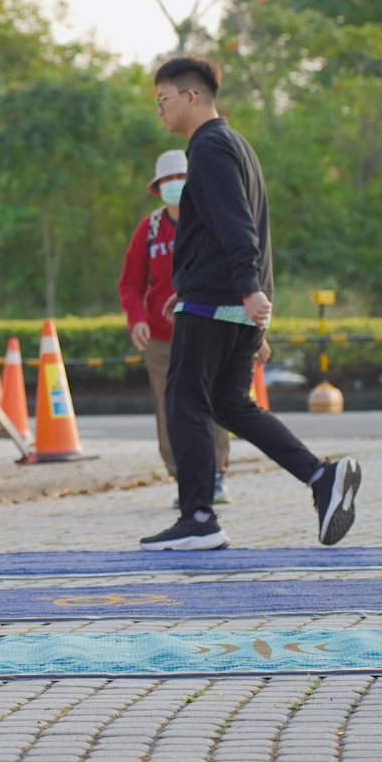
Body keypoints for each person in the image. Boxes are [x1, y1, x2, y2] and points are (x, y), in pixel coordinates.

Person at [138, 56, 360, 552]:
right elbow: (232, 227)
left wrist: (246, 288)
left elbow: (238, 224)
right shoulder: (234, 144)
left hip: (218, 301)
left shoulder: (209, 147)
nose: (160, 110)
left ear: (192, 96)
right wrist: (247, 296)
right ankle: (321, 477)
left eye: (163, 99)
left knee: (185, 403)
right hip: (228, 299)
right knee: (229, 404)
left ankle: (198, 517)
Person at [117, 149, 231, 502]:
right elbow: (130, 283)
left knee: (209, 403)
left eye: (180, 177)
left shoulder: (211, 223)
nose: (174, 184)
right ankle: (184, 479)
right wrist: (137, 319)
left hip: (207, 328)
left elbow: (233, 273)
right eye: (167, 179)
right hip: (161, 337)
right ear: (157, 187)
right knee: (170, 411)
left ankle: (215, 475)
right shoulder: (149, 229)